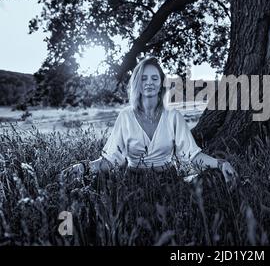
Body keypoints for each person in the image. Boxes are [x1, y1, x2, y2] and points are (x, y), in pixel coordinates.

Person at [62, 55, 238, 188]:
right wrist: (84, 167)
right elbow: (110, 160)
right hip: (133, 183)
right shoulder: (126, 117)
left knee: (212, 179)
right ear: (137, 83)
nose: (149, 83)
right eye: (144, 78)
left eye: (154, 78)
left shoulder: (173, 117)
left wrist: (221, 163)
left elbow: (193, 155)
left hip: (168, 182)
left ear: (161, 83)